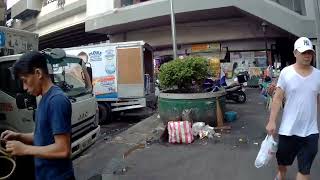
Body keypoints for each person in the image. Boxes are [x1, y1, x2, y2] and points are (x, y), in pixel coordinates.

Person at [0, 51, 75, 180]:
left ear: (38, 73)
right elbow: (42, 136)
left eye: (25, 80)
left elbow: (63, 149)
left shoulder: (56, 100)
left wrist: (24, 149)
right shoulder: (44, 98)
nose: (24, 87)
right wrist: (19, 136)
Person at [266, 37, 320, 180]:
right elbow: (277, 98)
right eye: (304, 52)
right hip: (288, 130)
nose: (307, 55)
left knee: (304, 171)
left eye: (310, 52)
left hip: (311, 132)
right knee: (283, 165)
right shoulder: (286, 72)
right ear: (295, 53)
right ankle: (281, 175)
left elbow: (318, 101)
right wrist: (272, 121)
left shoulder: (318, 75)